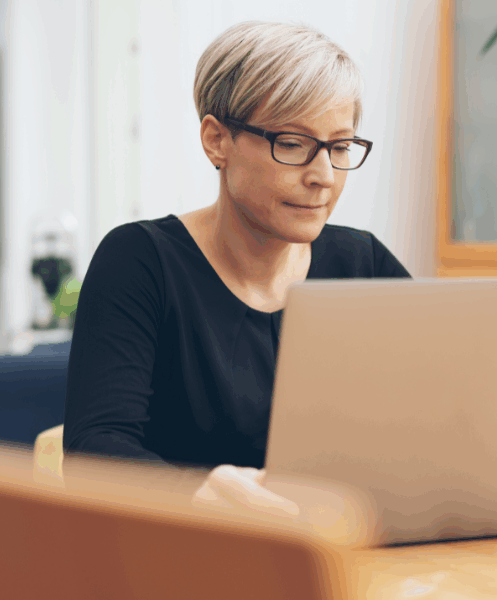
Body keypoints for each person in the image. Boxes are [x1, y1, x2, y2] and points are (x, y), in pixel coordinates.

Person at [62, 21, 411, 512]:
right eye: (292, 144)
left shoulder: (363, 264)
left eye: (339, 147)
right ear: (216, 140)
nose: (324, 177)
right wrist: (197, 492)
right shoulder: (140, 261)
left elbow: (437, 416)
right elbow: (92, 454)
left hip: (336, 550)